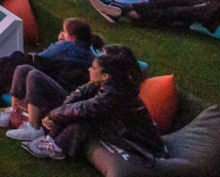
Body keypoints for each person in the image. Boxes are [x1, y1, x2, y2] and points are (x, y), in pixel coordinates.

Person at [16, 45, 162, 161]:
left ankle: (56, 147)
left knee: (84, 118)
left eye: (94, 67)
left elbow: (86, 109)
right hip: (116, 128)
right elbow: (78, 95)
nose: (89, 69)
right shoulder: (106, 82)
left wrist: (54, 115)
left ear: (106, 74)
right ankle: (49, 140)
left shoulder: (117, 93)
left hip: (135, 141)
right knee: (72, 110)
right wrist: (58, 114)